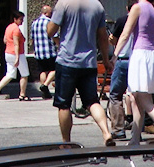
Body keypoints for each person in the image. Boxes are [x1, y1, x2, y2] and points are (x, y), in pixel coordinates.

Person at [47, 0, 114, 145]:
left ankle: (66, 142)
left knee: (63, 104)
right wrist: (106, 60)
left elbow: (50, 31)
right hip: (88, 63)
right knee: (92, 101)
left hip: (67, 61)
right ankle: (106, 133)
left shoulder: (64, 3)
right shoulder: (97, 5)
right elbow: (102, 36)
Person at [114, 0, 154, 146]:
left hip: (140, 54)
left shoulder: (137, 8)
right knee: (136, 98)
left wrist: (115, 55)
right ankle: (135, 137)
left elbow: (125, 34)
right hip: (153, 54)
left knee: (144, 99)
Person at [0, 10, 31, 100]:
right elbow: (16, 44)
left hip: (8, 53)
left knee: (10, 74)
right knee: (25, 74)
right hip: (18, 54)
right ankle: (22, 94)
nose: (22, 21)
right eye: (20, 19)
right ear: (15, 19)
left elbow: (5, 40)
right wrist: (17, 58)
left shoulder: (8, 27)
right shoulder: (16, 29)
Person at [29, 2, 57, 98]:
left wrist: (34, 49)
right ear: (46, 13)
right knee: (55, 69)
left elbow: (32, 38)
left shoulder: (34, 23)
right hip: (49, 51)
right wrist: (59, 45)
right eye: (50, 12)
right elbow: (55, 36)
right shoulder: (49, 22)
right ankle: (45, 86)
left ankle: (45, 92)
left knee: (43, 71)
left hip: (39, 52)